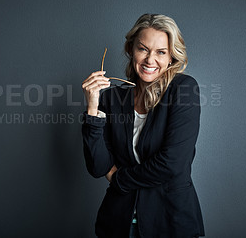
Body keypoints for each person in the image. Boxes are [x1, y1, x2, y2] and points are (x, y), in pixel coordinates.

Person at [81, 14, 205, 238]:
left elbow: (172, 163)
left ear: (171, 58)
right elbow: (98, 166)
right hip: (118, 223)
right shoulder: (112, 99)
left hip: (169, 223)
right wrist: (92, 107)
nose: (150, 60)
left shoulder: (184, 89)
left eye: (161, 52)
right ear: (131, 50)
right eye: (143, 49)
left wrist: (119, 178)